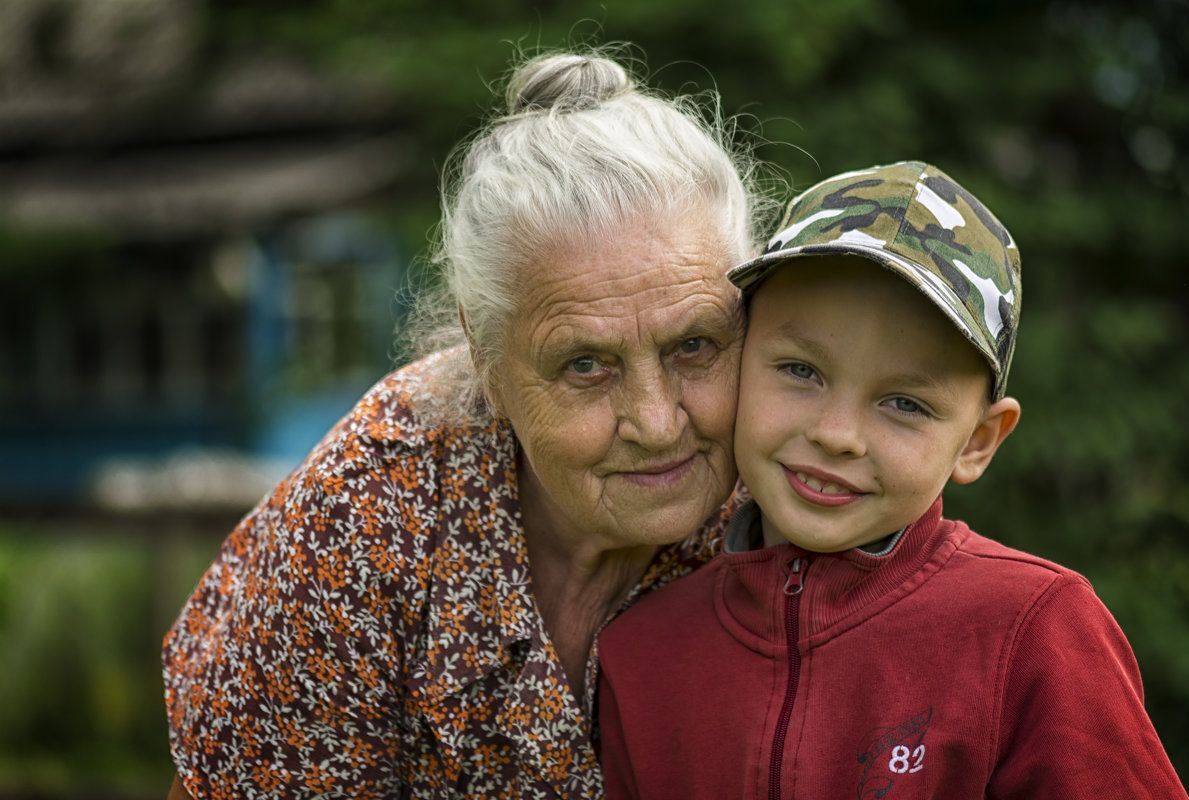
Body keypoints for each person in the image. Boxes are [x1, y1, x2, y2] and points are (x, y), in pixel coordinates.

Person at [162, 51, 767, 799]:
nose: (655, 419)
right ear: (487, 361)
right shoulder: (366, 519)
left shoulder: (786, 495)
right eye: (585, 364)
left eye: (694, 346)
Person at [597, 161, 1189, 799]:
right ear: (736, 362)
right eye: (800, 370)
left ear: (978, 442)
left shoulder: (1033, 630)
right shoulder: (642, 652)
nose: (837, 434)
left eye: (905, 403)